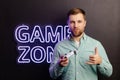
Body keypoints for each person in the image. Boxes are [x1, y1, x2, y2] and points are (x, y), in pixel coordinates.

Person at [49, 8, 113, 80]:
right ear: (68, 23)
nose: (76, 25)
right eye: (72, 22)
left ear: (84, 23)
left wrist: (100, 62)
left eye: (79, 21)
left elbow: (109, 72)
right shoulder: (60, 46)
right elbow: (52, 75)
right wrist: (59, 65)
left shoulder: (96, 45)